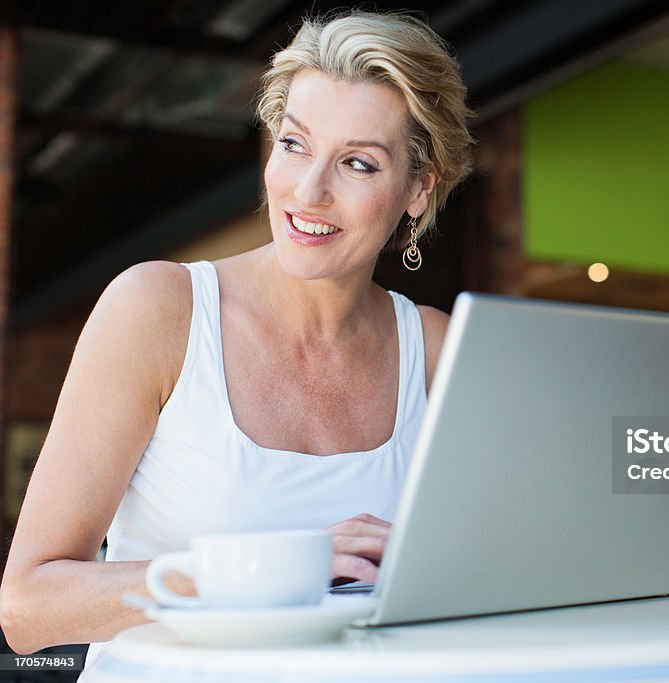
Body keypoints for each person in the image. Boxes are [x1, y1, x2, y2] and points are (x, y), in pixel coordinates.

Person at [0, 9, 473, 663]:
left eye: (358, 163)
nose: (309, 191)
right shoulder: (160, 311)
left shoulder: (439, 353)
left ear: (418, 188)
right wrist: (268, 567)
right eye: (295, 143)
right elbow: (28, 608)